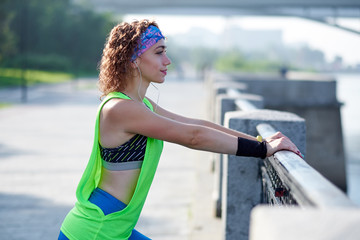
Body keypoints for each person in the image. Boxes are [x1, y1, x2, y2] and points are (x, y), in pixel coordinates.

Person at [58, 19, 302, 240]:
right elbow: (193, 137)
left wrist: (261, 142)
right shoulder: (121, 109)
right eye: (159, 52)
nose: (168, 61)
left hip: (115, 227)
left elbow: (196, 125)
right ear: (134, 59)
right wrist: (261, 149)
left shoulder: (138, 104)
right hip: (95, 230)